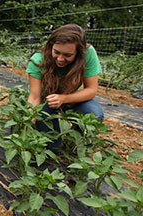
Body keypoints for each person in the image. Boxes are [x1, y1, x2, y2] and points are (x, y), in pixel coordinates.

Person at [26, 24, 104, 152]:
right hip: (46, 100)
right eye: (56, 52)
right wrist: (27, 121)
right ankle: (54, 143)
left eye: (68, 55)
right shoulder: (38, 60)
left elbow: (91, 90)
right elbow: (34, 97)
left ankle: (74, 143)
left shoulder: (88, 54)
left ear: (79, 53)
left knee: (94, 114)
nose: (60, 59)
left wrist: (64, 98)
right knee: (53, 148)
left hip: (71, 96)